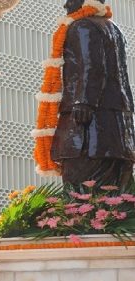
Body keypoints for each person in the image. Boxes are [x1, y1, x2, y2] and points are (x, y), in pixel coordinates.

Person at [51, 0, 135, 189]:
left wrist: (84, 101)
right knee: (117, 197)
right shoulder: (114, 29)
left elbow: (91, 65)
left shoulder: (82, 26)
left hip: (89, 129)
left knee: (82, 194)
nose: (66, 4)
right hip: (117, 131)